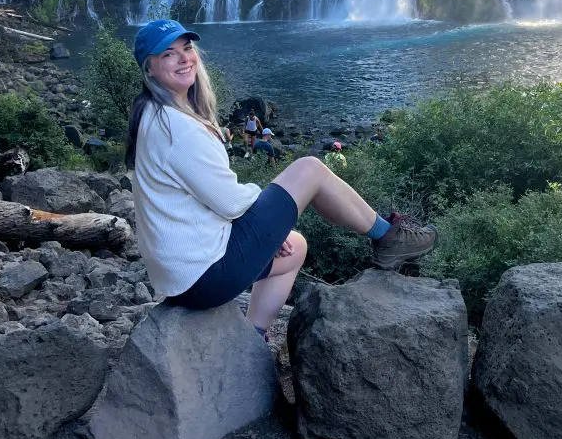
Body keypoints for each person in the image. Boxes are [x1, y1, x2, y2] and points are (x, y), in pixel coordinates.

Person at [126, 19, 437, 338]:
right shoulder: (175, 128)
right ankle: (389, 238)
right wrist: (265, 223)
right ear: (149, 69)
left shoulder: (155, 113)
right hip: (203, 275)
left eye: (187, 48)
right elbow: (231, 202)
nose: (183, 58)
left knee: (295, 246)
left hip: (184, 277)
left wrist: (268, 232)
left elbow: (199, 201)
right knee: (309, 170)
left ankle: (254, 337)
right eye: (168, 54)